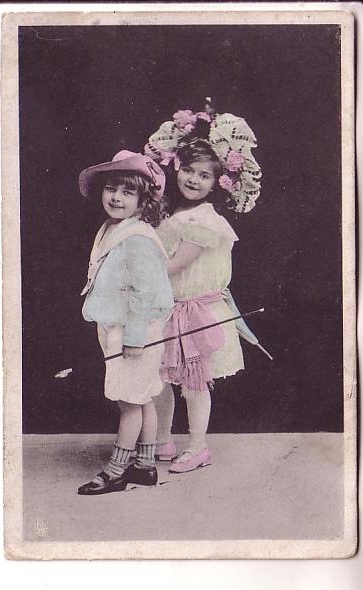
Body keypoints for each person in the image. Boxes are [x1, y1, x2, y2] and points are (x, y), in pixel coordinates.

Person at [144, 102, 261, 473]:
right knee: (161, 376)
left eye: (205, 176)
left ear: (219, 182)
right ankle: (163, 439)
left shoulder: (205, 221)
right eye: (189, 171)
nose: (194, 180)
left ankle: (197, 447)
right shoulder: (175, 216)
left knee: (193, 381)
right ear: (176, 167)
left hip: (197, 311)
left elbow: (172, 265)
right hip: (169, 307)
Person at [77, 150, 174, 495]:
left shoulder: (137, 238)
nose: (116, 197)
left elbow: (144, 295)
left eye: (127, 192)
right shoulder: (114, 228)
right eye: (112, 189)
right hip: (121, 327)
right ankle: (145, 466)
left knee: (129, 402)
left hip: (136, 331)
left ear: (143, 201)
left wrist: (134, 337)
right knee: (141, 395)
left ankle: (116, 471)